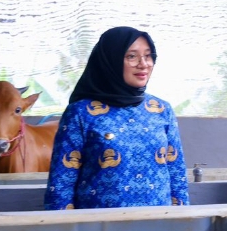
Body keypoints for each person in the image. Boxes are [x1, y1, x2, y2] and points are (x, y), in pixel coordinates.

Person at [45, 26, 189, 210]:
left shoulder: (161, 110)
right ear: (110, 60)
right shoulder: (81, 113)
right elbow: (61, 184)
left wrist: (183, 221)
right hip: (99, 230)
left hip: (158, 226)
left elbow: (177, 177)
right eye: (131, 56)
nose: (143, 63)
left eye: (148, 55)